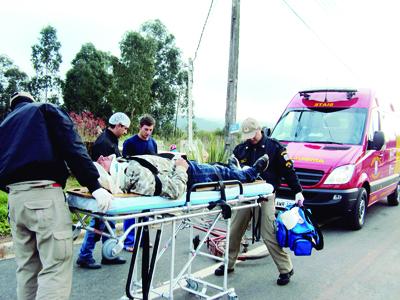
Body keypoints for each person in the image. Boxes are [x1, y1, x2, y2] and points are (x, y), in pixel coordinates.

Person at [0, 92, 113, 300]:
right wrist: (93, 184)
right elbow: (72, 146)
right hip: (44, 195)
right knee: (55, 267)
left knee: (27, 269)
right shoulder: (43, 109)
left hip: (15, 200)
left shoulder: (4, 125)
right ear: (31, 99)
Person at [214, 117, 305, 286]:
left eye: (252, 134)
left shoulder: (274, 147)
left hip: (265, 196)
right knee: (234, 230)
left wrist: (298, 191)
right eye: (247, 135)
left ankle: (285, 268)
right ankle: (228, 263)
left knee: (268, 233)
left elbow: (289, 171)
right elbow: (230, 170)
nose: (250, 138)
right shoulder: (241, 149)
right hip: (244, 195)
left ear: (259, 130)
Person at [76, 112, 131, 269]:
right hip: (103, 186)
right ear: (118, 125)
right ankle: (85, 255)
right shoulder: (104, 143)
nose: (125, 132)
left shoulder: (110, 140)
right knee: (99, 223)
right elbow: (101, 169)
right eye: (125, 128)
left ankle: (108, 254)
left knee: (107, 222)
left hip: (106, 187)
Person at [95, 152, 270, 200]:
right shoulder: (133, 177)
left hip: (182, 167)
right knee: (223, 174)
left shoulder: (125, 168)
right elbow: (173, 190)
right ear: (108, 175)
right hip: (189, 175)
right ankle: (251, 173)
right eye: (100, 163)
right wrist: (181, 168)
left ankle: (235, 168)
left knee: (218, 168)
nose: (101, 158)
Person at [121, 114, 158, 252]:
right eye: (146, 129)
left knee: (145, 213)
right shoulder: (129, 143)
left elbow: (155, 162)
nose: (148, 132)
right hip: (133, 183)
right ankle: (129, 242)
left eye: (150, 130)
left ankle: (143, 240)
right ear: (140, 127)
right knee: (131, 214)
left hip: (148, 184)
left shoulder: (153, 143)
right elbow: (124, 164)